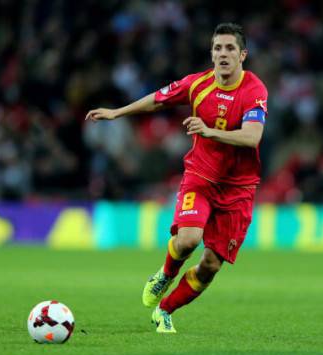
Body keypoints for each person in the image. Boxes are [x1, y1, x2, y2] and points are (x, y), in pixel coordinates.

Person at [86, 22, 268, 333]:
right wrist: (117, 113)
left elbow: (252, 137)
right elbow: (158, 98)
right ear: (211, 54)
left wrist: (210, 131)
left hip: (239, 190)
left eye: (230, 49)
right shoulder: (198, 84)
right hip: (200, 176)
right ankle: (165, 275)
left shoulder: (254, 90)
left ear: (243, 55)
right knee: (187, 240)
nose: (223, 54)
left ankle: (165, 310)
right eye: (218, 48)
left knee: (210, 266)